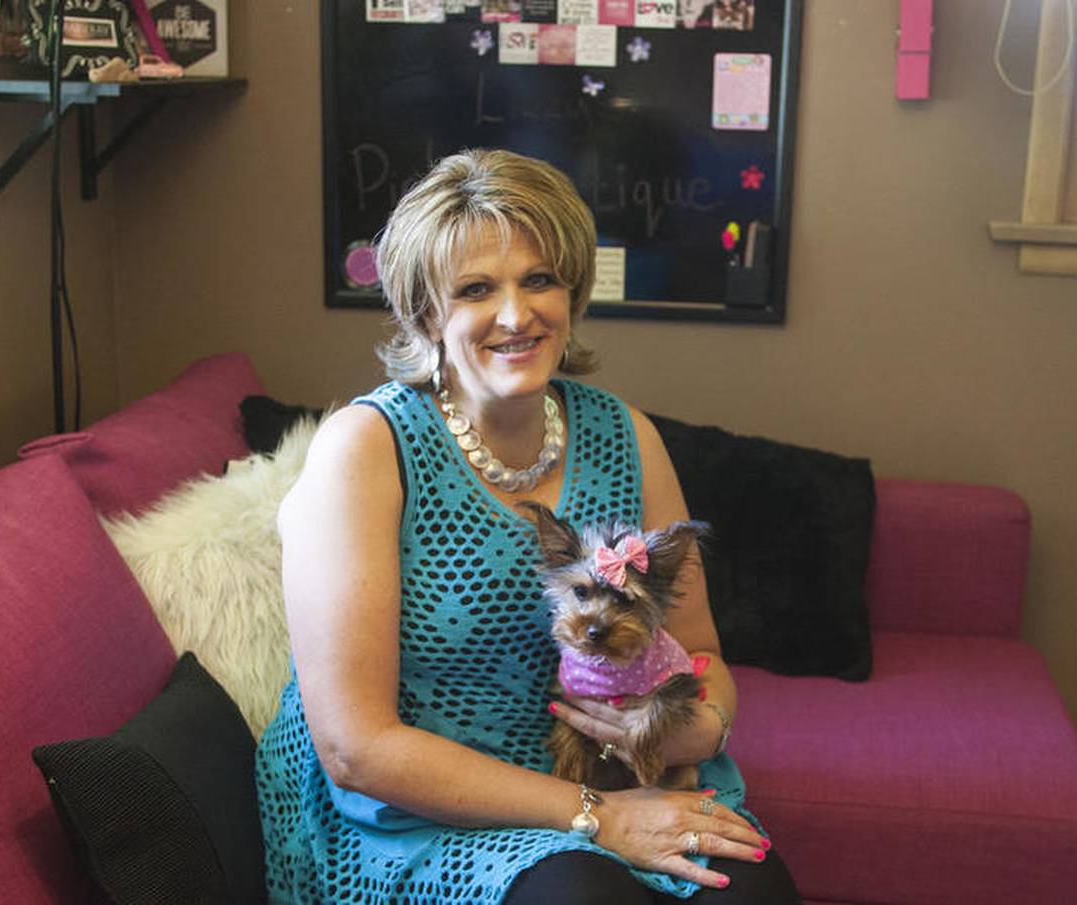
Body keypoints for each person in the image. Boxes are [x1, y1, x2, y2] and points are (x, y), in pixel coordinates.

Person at [256, 148, 800, 905]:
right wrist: (596, 818)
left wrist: (705, 731)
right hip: (428, 814)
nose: (518, 314)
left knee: (753, 891)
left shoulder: (626, 434)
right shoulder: (366, 447)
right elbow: (357, 747)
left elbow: (702, 653)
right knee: (584, 898)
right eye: (477, 289)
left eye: (539, 278)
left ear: (571, 290)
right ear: (426, 311)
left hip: (614, 778)